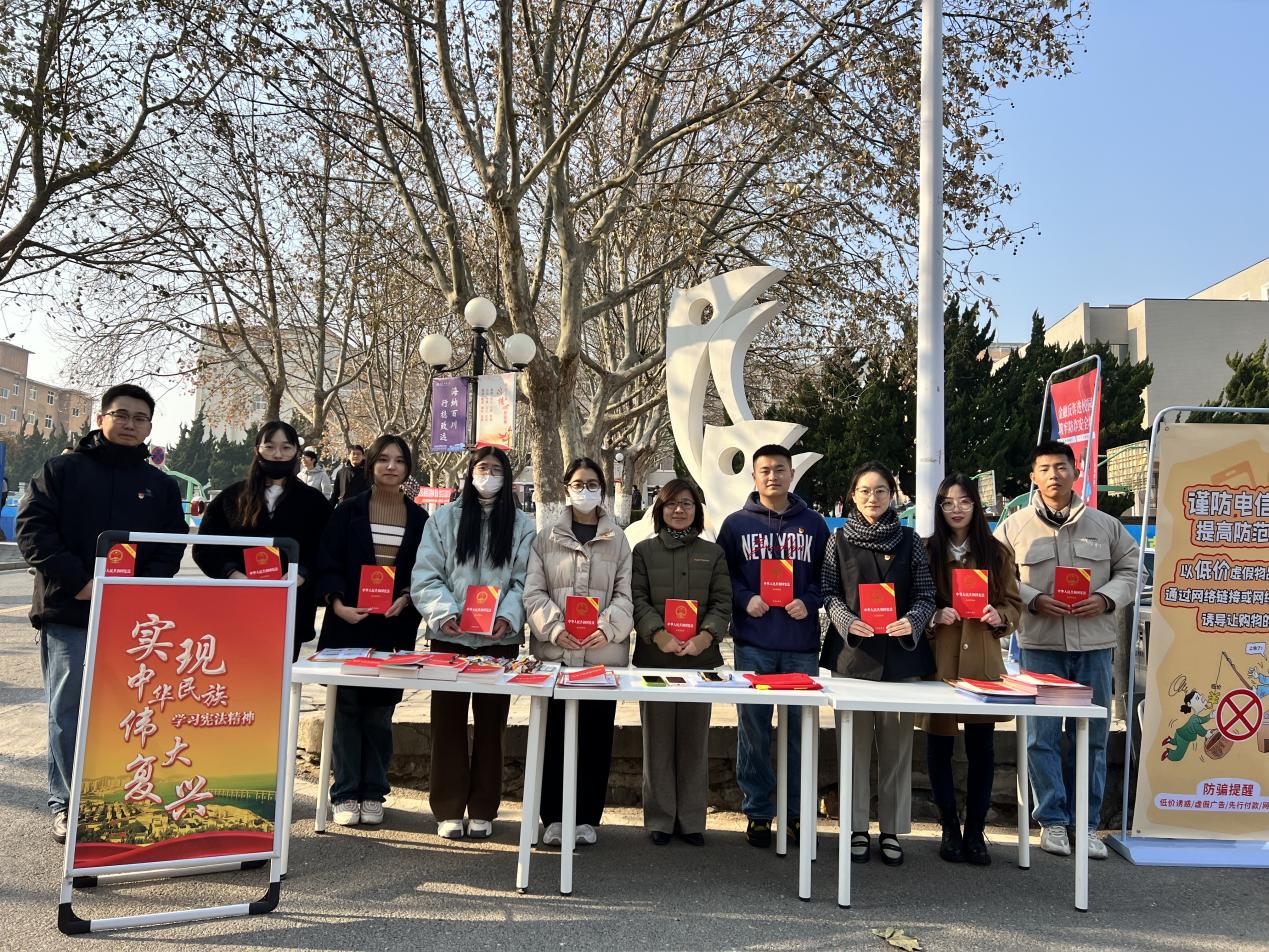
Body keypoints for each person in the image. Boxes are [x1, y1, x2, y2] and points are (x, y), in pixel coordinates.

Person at [16, 383, 187, 843]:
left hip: (134, 618)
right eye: (121, 415)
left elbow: (172, 544)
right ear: (101, 419)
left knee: (128, 710)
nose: (130, 424)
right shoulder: (62, 470)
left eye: (140, 418)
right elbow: (32, 531)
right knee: (68, 708)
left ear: (149, 427)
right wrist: (82, 582)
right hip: (69, 609)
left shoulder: (160, 485)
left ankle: (119, 795)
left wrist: (139, 589)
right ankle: (68, 803)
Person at [994, 439, 1138, 861]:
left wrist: (1106, 598)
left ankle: (1086, 824)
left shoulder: (1106, 525)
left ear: (1076, 473)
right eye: (1045, 468)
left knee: (1091, 737)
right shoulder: (1014, 527)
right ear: (1032, 478)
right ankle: (1052, 821)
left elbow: (1133, 569)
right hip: (1040, 645)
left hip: (1094, 646)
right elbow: (994, 576)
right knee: (1040, 737)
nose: (1054, 475)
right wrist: (1033, 598)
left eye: (1061, 467)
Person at [411, 447, 534, 839]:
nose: (488, 475)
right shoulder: (444, 519)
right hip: (449, 637)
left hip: (499, 640)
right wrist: (443, 613)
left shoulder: (522, 525)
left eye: (496, 469)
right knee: (446, 722)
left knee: (491, 725)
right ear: (469, 472)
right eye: (482, 468)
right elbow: (426, 574)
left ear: (507, 477)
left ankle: (483, 808)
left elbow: (524, 579)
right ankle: (448, 808)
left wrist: (507, 616)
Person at [820, 460, 936, 867]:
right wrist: (846, 620)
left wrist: (914, 620)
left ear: (893, 495)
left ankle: (891, 829)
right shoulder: (838, 540)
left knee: (897, 748)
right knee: (852, 748)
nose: (873, 498)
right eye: (865, 491)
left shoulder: (910, 540)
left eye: (881, 491)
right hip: (853, 657)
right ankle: (855, 827)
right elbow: (828, 592)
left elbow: (926, 594)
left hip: (901, 659)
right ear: (853, 495)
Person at [716, 443, 830, 848]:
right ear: (754, 476)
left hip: (800, 645)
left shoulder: (814, 524)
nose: (772, 476)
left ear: (792, 474)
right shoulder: (735, 525)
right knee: (754, 731)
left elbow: (827, 577)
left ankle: (797, 813)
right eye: (764, 470)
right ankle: (759, 811)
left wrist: (810, 601)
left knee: (800, 731)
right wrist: (745, 597)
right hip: (753, 643)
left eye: (780, 469)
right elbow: (722, 576)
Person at [315, 434, 427, 827]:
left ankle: (374, 791)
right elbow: (327, 560)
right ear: (371, 464)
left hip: (393, 626)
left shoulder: (419, 519)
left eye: (399, 460)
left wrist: (409, 597)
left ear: (408, 468)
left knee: (380, 712)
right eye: (383, 459)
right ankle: (346, 793)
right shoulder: (348, 511)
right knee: (346, 709)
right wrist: (337, 603)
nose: (391, 467)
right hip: (349, 622)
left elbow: (426, 570)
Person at [525, 458, 633, 847]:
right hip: (556, 655)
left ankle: (587, 817)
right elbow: (533, 592)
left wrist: (607, 628)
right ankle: (553, 817)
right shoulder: (546, 538)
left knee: (595, 737)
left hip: (601, 657)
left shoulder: (618, 539)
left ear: (602, 488)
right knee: (553, 737)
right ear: (566, 488)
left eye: (591, 483)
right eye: (577, 483)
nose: (584, 490)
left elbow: (625, 595)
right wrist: (555, 629)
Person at [922, 473, 1023, 865]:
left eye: (964, 501)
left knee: (983, 749)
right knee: (938, 746)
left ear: (976, 506)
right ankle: (949, 827)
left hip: (982, 661)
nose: (956, 509)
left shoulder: (995, 552)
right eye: (948, 502)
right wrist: (933, 616)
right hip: (940, 661)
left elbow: (1014, 604)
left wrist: (999, 616)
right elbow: (915, 601)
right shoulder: (927, 550)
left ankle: (975, 831)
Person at [630, 479, 731, 846]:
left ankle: (691, 820)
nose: (679, 510)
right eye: (671, 503)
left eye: (687, 503)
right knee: (657, 741)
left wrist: (704, 638)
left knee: (694, 741)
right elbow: (637, 599)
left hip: (699, 661)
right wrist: (659, 636)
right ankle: (659, 819)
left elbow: (722, 602)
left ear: (696, 510)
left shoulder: (713, 553)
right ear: (659, 509)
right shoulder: (643, 552)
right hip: (656, 659)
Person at [192, 421, 332, 661]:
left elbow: (326, 549)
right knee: (236, 674)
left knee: (280, 676)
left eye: (286, 447)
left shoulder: (314, 502)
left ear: (296, 452)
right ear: (257, 450)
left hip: (291, 607)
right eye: (270, 446)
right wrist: (233, 574)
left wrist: (301, 575)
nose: (278, 454)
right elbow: (205, 548)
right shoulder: (231, 497)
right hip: (238, 605)